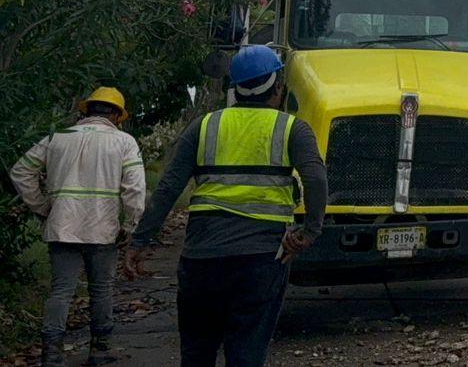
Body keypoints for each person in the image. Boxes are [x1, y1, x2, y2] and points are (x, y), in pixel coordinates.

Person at [126, 45, 327, 367]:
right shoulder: (292, 128)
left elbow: (168, 188)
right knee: (246, 352)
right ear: (278, 86)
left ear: (234, 87)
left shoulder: (204, 126)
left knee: (196, 353)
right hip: (261, 258)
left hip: (202, 257)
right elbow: (316, 179)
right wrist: (309, 232)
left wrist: (139, 241)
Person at [9, 87, 145, 367]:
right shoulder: (124, 142)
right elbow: (134, 189)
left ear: (86, 110)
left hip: (62, 226)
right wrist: (130, 225)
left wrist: (43, 207)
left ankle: (52, 354)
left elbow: (21, 171)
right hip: (104, 229)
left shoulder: (57, 137)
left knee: (61, 290)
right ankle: (99, 350)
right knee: (102, 289)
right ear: (118, 115)